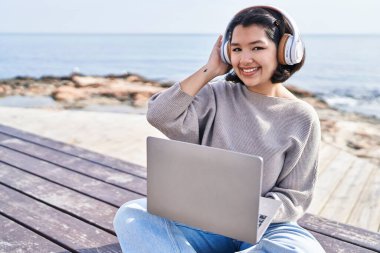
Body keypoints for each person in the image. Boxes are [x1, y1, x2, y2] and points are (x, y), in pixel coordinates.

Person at [113, 5, 326, 253]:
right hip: (201, 221)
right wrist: (211, 70)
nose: (244, 60)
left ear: (284, 51)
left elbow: (294, 197)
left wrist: (244, 213)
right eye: (236, 49)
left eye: (257, 47)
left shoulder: (302, 117)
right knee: (131, 215)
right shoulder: (216, 94)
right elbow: (160, 115)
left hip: (265, 227)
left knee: (301, 250)